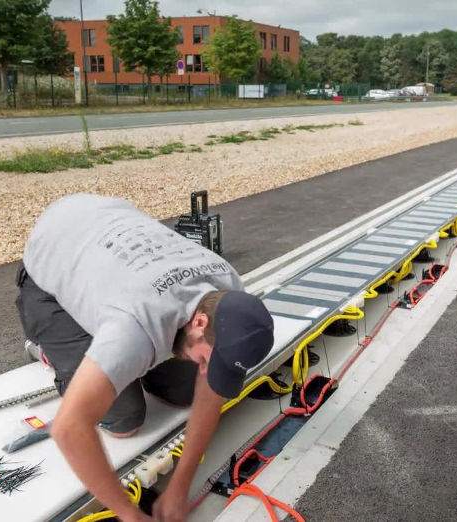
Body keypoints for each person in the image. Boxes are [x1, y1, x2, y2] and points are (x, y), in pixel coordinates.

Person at [15, 194, 274, 522]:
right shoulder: (134, 324)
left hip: (105, 236)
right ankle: (49, 351)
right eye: (209, 361)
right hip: (51, 269)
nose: (207, 370)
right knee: (124, 421)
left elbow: (209, 396)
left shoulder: (227, 287)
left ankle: (113, 359)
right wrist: (129, 514)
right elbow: (69, 427)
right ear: (200, 321)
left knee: (185, 393)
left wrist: (180, 486)